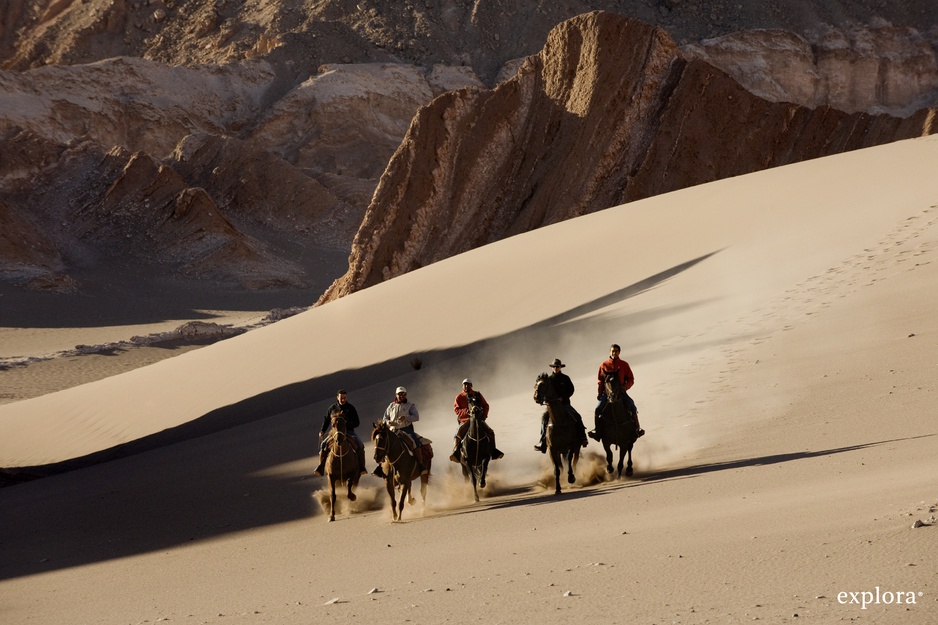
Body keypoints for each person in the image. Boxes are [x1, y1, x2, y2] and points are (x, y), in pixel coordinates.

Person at [591, 344, 644, 440]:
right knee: (597, 409)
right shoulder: (603, 365)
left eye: (616, 351)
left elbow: (631, 379)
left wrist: (625, 387)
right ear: (610, 352)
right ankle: (597, 431)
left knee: (632, 406)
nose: (614, 353)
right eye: (612, 351)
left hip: (621, 393)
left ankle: (637, 429)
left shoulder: (624, 364)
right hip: (606, 394)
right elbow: (600, 380)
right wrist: (600, 393)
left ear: (619, 352)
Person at [534, 359, 588, 452]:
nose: (555, 368)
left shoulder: (565, 378)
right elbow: (544, 392)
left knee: (577, 416)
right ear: (552, 368)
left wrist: (562, 398)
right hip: (552, 407)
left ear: (560, 367)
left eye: (557, 367)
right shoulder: (549, 380)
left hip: (565, 404)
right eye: (554, 367)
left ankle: (583, 438)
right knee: (544, 420)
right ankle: (542, 442)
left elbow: (571, 390)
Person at [374, 386, 428, 477]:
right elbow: (385, 418)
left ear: (406, 395)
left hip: (406, 429)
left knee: (415, 442)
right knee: (384, 443)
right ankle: (380, 466)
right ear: (396, 395)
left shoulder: (410, 406)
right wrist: (388, 422)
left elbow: (416, 417)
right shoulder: (391, 406)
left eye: (403, 394)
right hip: (393, 430)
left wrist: (406, 418)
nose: (401, 396)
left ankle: (420, 464)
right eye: (399, 394)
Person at [314, 389, 368, 477]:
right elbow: (327, 420)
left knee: (360, 445)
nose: (343, 400)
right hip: (334, 433)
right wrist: (322, 431)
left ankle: (362, 467)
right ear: (337, 397)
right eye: (341, 398)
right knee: (323, 445)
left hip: (349, 432)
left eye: (344, 398)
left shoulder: (350, 408)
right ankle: (321, 467)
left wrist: (346, 425)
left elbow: (357, 422)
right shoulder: (332, 408)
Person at [450, 378, 504, 462]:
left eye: (468, 384)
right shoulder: (459, 397)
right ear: (462, 386)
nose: (466, 386)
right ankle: (456, 453)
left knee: (490, 432)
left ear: (471, 386)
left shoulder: (477, 395)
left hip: (478, 419)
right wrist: (466, 411)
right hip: (465, 420)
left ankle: (494, 451)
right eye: (465, 384)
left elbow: (486, 405)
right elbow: (456, 410)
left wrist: (484, 416)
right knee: (458, 435)